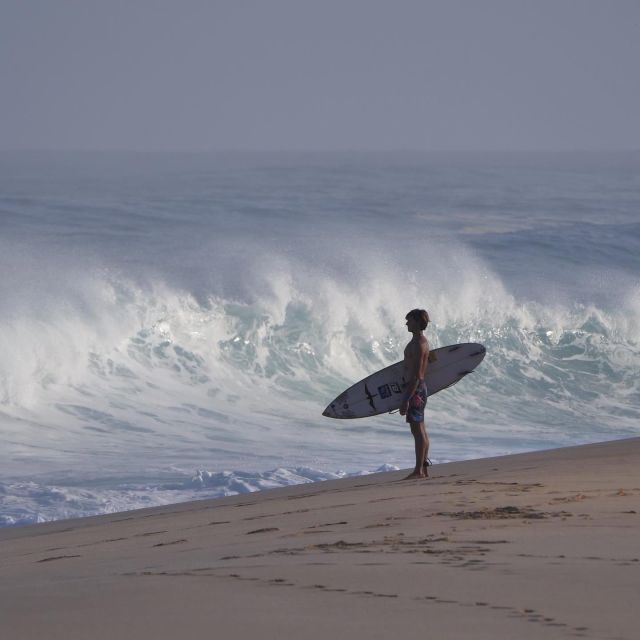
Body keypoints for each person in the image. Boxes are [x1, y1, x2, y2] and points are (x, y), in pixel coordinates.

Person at [399, 308, 430, 479]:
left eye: (409, 320)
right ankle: (423, 469)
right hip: (419, 389)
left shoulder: (418, 344)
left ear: (417, 322)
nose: (406, 323)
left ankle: (418, 470)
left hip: (415, 389)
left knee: (417, 430)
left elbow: (417, 375)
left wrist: (406, 399)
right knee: (421, 429)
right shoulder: (422, 342)